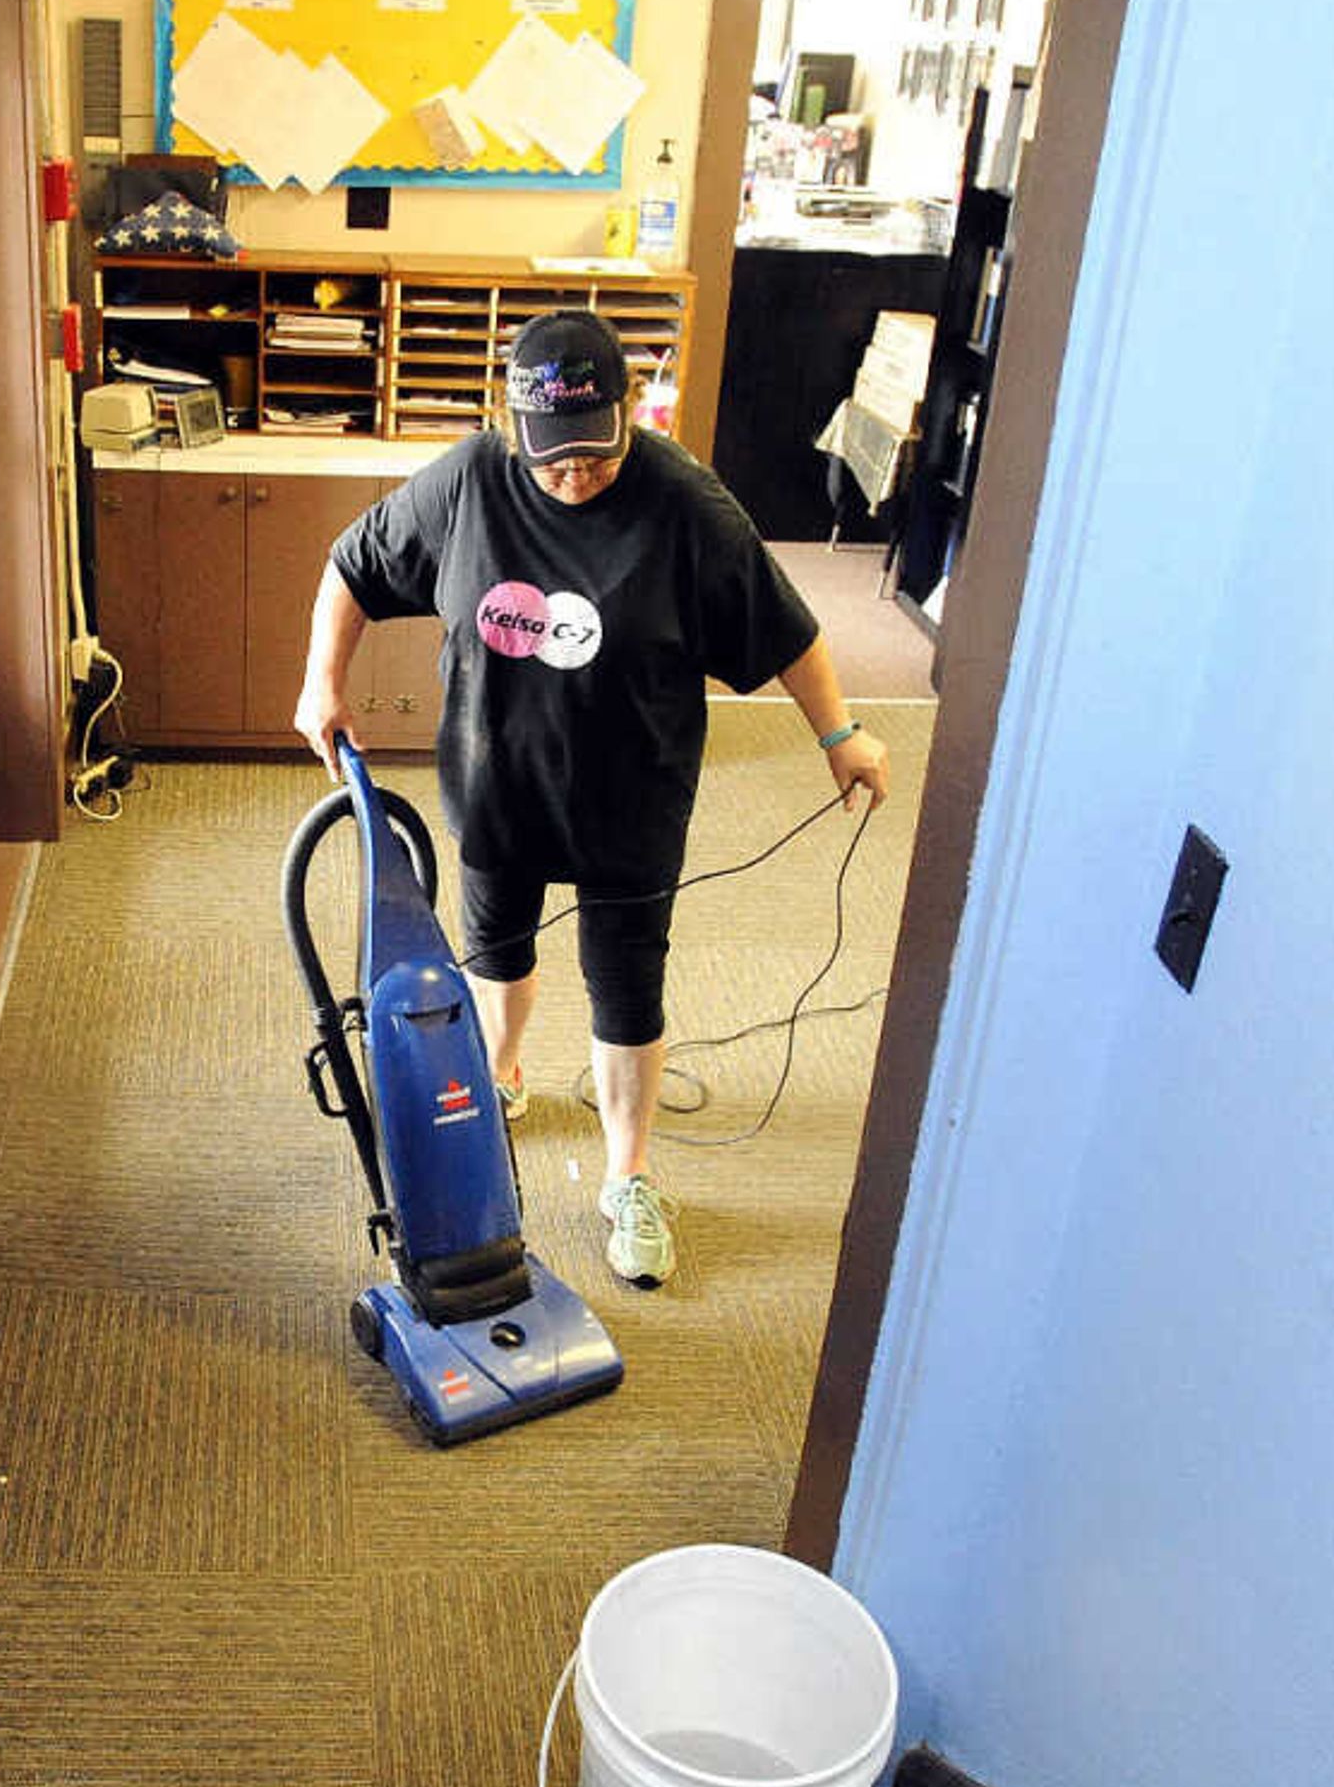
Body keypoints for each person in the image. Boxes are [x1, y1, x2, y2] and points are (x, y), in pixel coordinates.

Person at [294, 309, 896, 1292]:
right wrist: (323, 681)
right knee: (496, 950)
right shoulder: (469, 483)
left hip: (634, 796)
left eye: (595, 455)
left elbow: (785, 627)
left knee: (626, 986)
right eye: (553, 460)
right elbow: (351, 565)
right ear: (515, 429)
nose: (574, 475)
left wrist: (839, 736)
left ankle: (628, 1174)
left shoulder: (683, 500)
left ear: (627, 417)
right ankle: (503, 1069)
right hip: (498, 785)